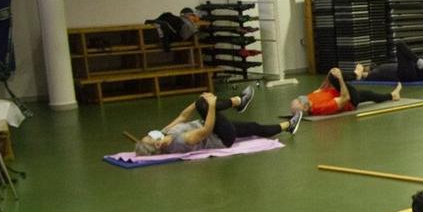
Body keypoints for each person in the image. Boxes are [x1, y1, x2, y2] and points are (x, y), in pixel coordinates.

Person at [134, 86, 300, 155]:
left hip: (214, 128)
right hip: (221, 137)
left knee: (254, 127)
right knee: (204, 105)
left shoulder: (164, 133)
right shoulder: (181, 141)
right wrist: (211, 106)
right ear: (157, 145)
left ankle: (289, 126)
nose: (151, 133)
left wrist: (197, 100)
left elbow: (183, 116)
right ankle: (238, 102)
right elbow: (206, 129)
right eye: (149, 137)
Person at [291, 68, 401, 116]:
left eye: (298, 99)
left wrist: (328, 76)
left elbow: (322, 88)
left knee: (369, 94)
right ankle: (356, 75)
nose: (300, 98)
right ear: (305, 107)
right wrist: (340, 79)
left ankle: (392, 96)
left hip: (348, 94)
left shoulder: (309, 99)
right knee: (334, 77)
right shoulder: (320, 107)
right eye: (300, 101)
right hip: (351, 101)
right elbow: (346, 98)